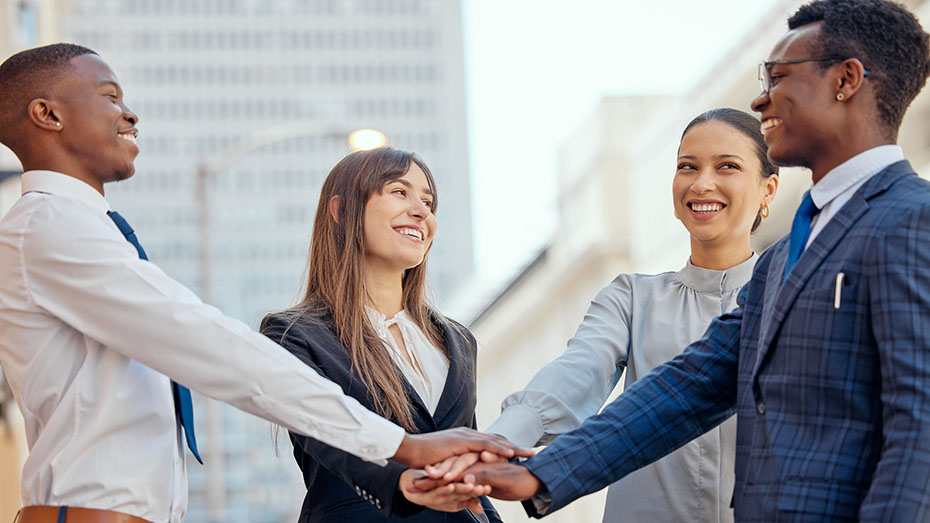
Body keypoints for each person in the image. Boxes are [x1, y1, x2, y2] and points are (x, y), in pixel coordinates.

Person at [416, 0, 930, 520]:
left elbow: (921, 424)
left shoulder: (913, 221)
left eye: (777, 77)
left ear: (846, 80)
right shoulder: (789, 258)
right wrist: (536, 472)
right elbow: (688, 387)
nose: (760, 98)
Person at [0, 44, 526, 523]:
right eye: (110, 97)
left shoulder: (83, 230)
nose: (130, 114)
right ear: (48, 114)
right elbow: (202, 341)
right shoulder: (47, 226)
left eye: (428, 200)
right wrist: (402, 448)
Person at [485, 108, 777, 522]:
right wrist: (496, 442)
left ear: (769, 190)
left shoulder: (794, 295)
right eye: (687, 167)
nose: (702, 182)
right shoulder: (633, 298)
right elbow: (575, 375)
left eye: (727, 166)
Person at [260, 147, 502, 522]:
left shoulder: (456, 340)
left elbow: (468, 475)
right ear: (340, 211)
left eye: (428, 200)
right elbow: (328, 438)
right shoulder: (295, 336)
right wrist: (405, 482)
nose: (421, 211)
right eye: (399, 192)